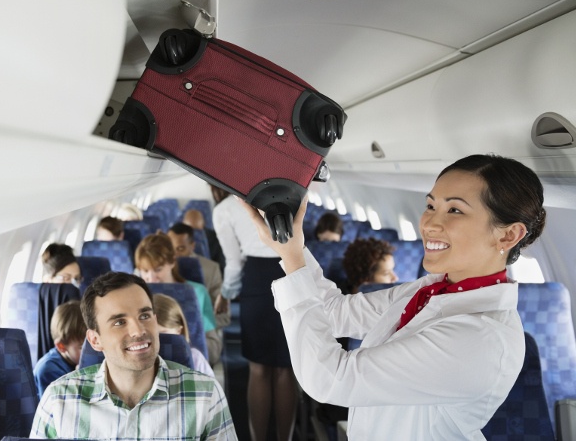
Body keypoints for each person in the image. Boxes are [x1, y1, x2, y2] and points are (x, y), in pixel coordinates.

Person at [241, 154, 546, 441]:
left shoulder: (482, 338)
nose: (429, 224)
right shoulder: (431, 290)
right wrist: (292, 246)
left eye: (454, 210)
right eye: (430, 206)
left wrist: (294, 261)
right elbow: (335, 312)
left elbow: (333, 379)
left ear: (507, 235)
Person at [29, 272, 236, 440]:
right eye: (119, 322)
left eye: (145, 316)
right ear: (94, 340)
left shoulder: (206, 395)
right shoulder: (58, 400)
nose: (138, 330)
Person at [212, 186, 297, 441]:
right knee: (285, 367)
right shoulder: (291, 196)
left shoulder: (225, 209)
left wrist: (226, 294)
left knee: (258, 368)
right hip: (291, 272)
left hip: (256, 280)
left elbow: (234, 262)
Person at [134, 233, 218, 362]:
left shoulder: (197, 292)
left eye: (158, 269)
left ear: (172, 262)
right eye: (145, 271)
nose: (151, 278)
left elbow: (213, 346)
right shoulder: (133, 297)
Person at [168, 222, 228, 362]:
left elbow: (223, 315)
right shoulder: (158, 275)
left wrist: (197, 329)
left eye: (181, 249)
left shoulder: (210, 269)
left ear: (192, 246)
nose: (175, 255)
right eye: (171, 249)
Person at [32, 300, 87, 399]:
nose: (90, 351)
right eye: (82, 347)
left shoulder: (75, 358)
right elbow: (62, 407)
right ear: (61, 346)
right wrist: (79, 378)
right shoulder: (48, 370)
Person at [152, 293, 214, 377]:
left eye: (163, 334)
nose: (157, 340)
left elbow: (209, 389)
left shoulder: (194, 359)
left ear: (179, 331)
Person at [183, 207, 226, 273]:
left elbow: (220, 266)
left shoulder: (216, 239)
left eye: (197, 231)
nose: (195, 235)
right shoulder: (179, 239)